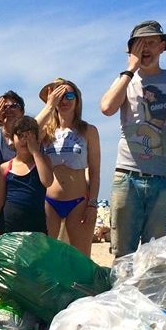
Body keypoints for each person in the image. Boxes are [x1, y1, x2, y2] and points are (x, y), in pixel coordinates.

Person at [100, 20, 166, 257]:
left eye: (151, 42)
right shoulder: (125, 80)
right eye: (139, 45)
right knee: (123, 251)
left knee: (158, 254)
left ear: (162, 46)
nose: (146, 49)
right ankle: (121, 294)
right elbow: (107, 108)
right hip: (127, 174)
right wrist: (130, 70)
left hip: (165, 176)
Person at [37, 78, 101, 256]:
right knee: (48, 256)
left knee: (80, 258)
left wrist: (92, 205)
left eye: (69, 95)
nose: (64, 100)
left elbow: (95, 171)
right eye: (60, 96)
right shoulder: (45, 132)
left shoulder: (89, 131)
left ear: (77, 100)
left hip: (78, 202)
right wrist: (50, 105)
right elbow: (29, 131)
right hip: (50, 202)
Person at [0, 116, 52, 234]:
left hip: (36, 226)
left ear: (37, 139)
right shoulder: (5, 167)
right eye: (20, 136)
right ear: (12, 139)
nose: (24, 140)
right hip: (9, 225)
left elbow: (47, 181)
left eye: (29, 136)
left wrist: (35, 152)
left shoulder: (43, 160)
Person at [0, 90, 25, 165]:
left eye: (13, 106)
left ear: (22, 112)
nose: (8, 110)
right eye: (4, 107)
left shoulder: (28, 134)